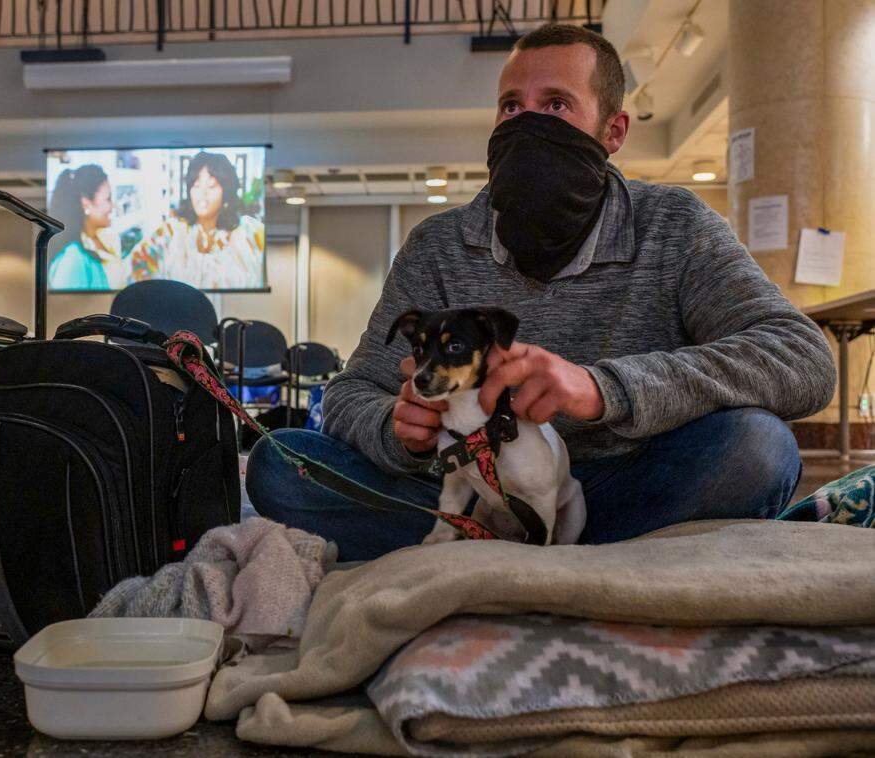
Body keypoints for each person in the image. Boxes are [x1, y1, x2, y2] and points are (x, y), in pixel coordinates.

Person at [245, 23, 837, 561]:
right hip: (470, 491)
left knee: (758, 449)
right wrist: (398, 431)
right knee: (280, 463)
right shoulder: (439, 246)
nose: (527, 124)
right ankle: (578, 555)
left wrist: (604, 388)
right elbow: (352, 393)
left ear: (613, 132)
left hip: (624, 482)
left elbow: (801, 357)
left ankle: (521, 555)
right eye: (510, 107)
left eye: (555, 104)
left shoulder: (673, 225)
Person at [131, 151, 264, 290]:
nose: (202, 194)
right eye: (196, 186)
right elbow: (138, 261)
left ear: (226, 191)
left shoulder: (251, 232)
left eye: (211, 186)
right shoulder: (171, 230)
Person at [48, 164, 128, 291]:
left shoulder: (107, 237)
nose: (112, 207)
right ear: (86, 204)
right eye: (108, 199)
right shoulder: (72, 260)